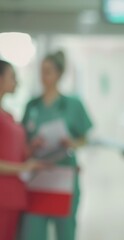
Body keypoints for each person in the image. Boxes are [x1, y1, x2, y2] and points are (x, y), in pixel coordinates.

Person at [19, 51, 93, 240]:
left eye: (49, 71)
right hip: (37, 177)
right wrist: (33, 145)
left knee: (65, 232)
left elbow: (85, 138)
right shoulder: (32, 105)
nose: (44, 76)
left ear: (59, 74)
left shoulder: (72, 104)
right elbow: (23, 141)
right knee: (32, 232)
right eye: (41, 71)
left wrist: (72, 143)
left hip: (63, 177)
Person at [0, 60, 47, 240]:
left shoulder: (8, 115)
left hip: (13, 196)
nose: (16, 82)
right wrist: (24, 168)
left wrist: (31, 148)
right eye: (12, 77)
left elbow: (12, 153)